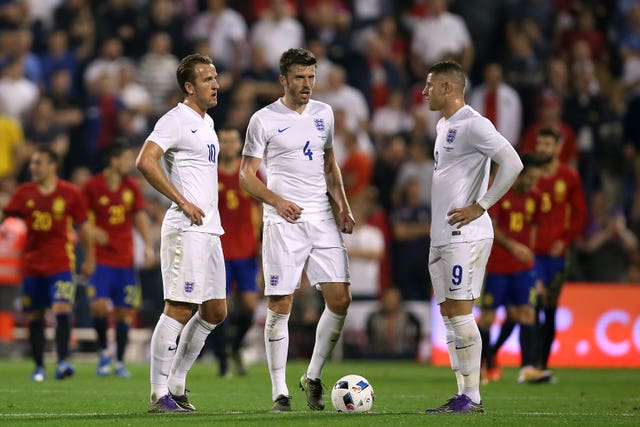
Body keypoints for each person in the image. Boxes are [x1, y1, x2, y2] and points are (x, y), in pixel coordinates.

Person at [239, 47, 354, 412]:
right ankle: (279, 392)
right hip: (283, 220)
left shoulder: (325, 113)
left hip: (321, 215)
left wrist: (343, 205)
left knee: (340, 299)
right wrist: (276, 201)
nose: (307, 84)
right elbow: (246, 175)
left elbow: (330, 164)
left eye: (311, 77)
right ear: (283, 80)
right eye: (300, 78)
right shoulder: (263, 119)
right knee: (281, 303)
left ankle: (313, 376)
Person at [422, 61, 523, 414]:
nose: (424, 92)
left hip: (466, 235)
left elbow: (512, 163)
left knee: (462, 313)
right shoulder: (443, 124)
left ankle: (473, 396)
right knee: (450, 315)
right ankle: (462, 394)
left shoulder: (474, 124)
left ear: (449, 88)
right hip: (442, 235)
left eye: (430, 85)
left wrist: (482, 205)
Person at [136, 53, 227, 413]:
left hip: (209, 229)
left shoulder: (207, 123)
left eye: (215, 77)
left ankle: (177, 383)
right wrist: (182, 200)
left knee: (216, 311)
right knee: (178, 307)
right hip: (185, 228)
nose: (216, 84)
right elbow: (145, 160)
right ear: (189, 87)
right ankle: (159, 394)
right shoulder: (175, 120)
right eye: (207, 79)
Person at [1, 144, 95, 381]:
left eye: (38, 162)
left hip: (61, 264)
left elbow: (83, 227)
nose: (33, 167)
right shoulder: (24, 193)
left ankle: (62, 361)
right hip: (32, 265)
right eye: (32, 162)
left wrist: (91, 257)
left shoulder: (70, 193)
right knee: (35, 315)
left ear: (53, 165)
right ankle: (39, 366)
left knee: (63, 307)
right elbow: (6, 215)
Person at [82, 141, 154, 378]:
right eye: (125, 159)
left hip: (125, 259)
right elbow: (80, 221)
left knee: (124, 311)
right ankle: (104, 352)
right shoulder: (92, 187)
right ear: (113, 161)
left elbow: (140, 216)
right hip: (101, 259)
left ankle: (120, 360)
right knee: (98, 307)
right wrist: (91, 233)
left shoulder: (131, 187)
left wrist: (148, 246)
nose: (129, 163)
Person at [478, 152, 550, 385]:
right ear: (519, 173)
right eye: (529, 178)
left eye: (536, 179)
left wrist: (533, 266)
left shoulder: (536, 197)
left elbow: (533, 233)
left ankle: (528, 369)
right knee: (487, 318)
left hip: (523, 268)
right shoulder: (500, 192)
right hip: (497, 265)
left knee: (528, 313)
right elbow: (493, 227)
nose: (532, 184)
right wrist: (514, 247)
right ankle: (482, 367)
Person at [531, 127, 586, 378]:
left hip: (556, 254)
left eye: (546, 145)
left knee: (550, 307)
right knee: (535, 301)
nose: (542, 149)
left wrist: (564, 241)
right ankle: (529, 363)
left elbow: (580, 214)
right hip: (532, 253)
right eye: (539, 144)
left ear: (558, 147)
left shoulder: (569, 176)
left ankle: (542, 363)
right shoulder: (529, 175)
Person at [207, 126, 260, 377]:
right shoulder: (209, 173)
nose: (227, 145)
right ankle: (223, 363)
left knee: (249, 305)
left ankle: (236, 346)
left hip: (246, 250)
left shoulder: (250, 172)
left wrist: (261, 241)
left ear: (239, 144)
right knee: (221, 307)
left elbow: (260, 207)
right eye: (223, 140)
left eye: (231, 140)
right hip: (219, 249)